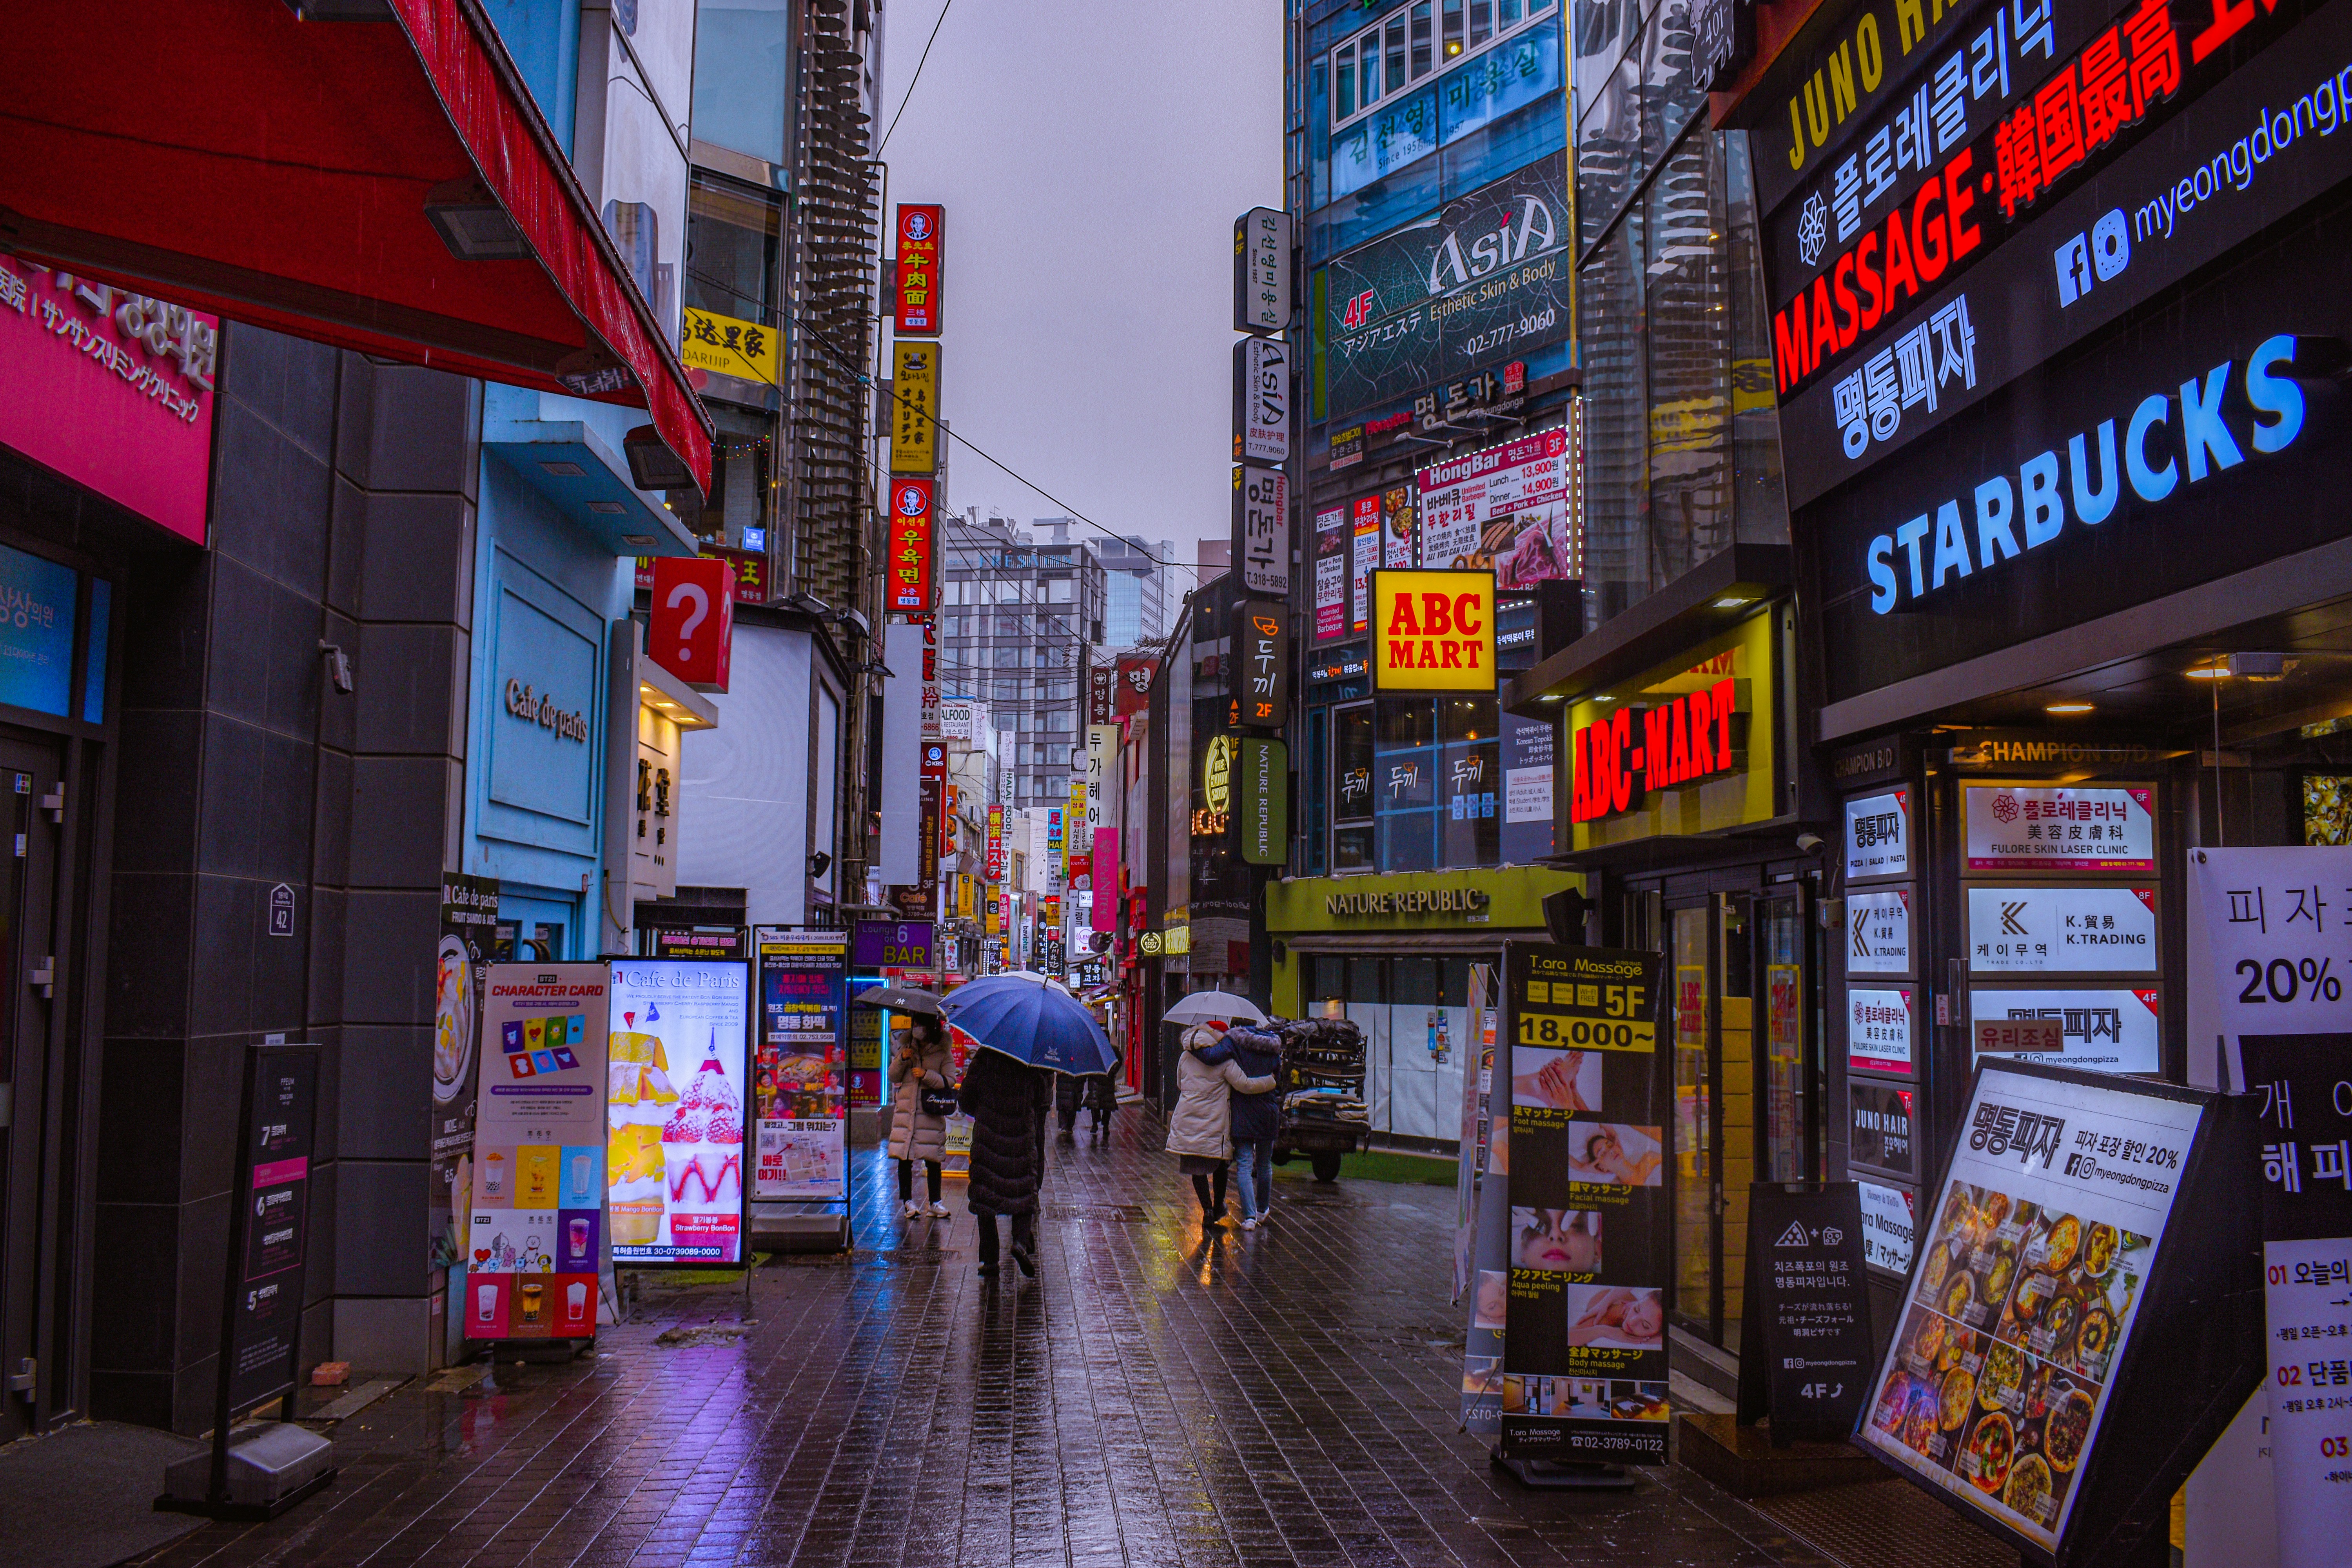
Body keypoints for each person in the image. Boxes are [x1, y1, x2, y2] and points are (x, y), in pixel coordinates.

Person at [1165, 1022, 1275, 1227]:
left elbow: (1180, 1084)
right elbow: (1245, 1085)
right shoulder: (1225, 1061)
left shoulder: (1186, 1056)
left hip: (1188, 1118)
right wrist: (1270, 1081)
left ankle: (1207, 1209)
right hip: (1214, 1122)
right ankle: (1219, 1207)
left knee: (1196, 1167)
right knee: (1220, 1164)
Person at [959, 1045, 1050, 1278]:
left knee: (985, 1196)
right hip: (1021, 1137)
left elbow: (966, 1099)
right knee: (1023, 1192)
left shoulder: (985, 1057)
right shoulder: (1029, 1060)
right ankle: (1020, 1242)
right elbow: (1041, 1100)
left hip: (988, 1137)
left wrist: (984, 1110)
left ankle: (990, 1260)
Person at [886, 1016, 954, 1218]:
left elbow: (949, 1080)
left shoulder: (943, 1052)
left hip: (930, 1114)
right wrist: (903, 1059)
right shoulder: (906, 1048)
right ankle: (908, 1202)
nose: (916, 1029)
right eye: (914, 1026)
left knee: (933, 1158)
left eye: (920, 1026)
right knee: (904, 1157)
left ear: (930, 1027)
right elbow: (892, 1076)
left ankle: (935, 1202)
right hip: (906, 1113)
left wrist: (926, 1074)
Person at [1221, 1025, 1282, 1229]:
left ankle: (1249, 1217)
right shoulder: (1273, 1052)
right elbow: (1279, 1080)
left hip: (1243, 1114)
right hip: (1267, 1114)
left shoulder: (1236, 1048)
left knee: (1245, 1166)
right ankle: (1262, 1209)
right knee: (1265, 1165)